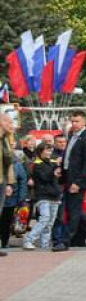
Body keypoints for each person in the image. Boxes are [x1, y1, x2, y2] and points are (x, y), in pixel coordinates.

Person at [60, 111, 86, 250]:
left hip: (77, 180)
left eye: (77, 121)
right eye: (72, 121)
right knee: (74, 209)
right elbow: (69, 157)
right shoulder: (72, 136)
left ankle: (65, 241)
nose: (74, 124)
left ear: (84, 122)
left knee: (73, 211)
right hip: (68, 177)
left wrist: (78, 182)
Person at [24, 143, 62, 251]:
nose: (49, 152)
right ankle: (29, 240)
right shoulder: (36, 164)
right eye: (47, 150)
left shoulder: (54, 163)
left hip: (55, 195)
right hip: (42, 196)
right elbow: (44, 177)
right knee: (44, 218)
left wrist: (59, 167)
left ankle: (44, 244)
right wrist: (54, 171)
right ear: (40, 151)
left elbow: (60, 175)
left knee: (50, 223)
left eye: (50, 150)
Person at [0, 109, 17, 257]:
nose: (12, 125)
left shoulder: (6, 139)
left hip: (2, 181)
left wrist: (10, 183)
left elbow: (9, 163)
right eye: (10, 122)